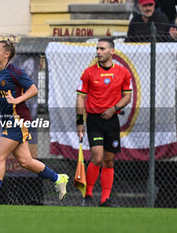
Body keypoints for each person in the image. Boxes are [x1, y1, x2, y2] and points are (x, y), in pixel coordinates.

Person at [0, 37, 69, 208]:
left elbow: (34, 89)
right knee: (25, 161)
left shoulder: (15, 72)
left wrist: (17, 100)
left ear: (6, 54)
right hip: (8, 119)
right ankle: (58, 178)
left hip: (19, 119)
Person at [76, 38, 132, 207]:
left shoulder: (123, 72)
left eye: (102, 48)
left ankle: (105, 199)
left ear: (112, 51)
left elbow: (127, 96)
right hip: (94, 120)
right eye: (97, 48)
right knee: (97, 157)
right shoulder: (88, 73)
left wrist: (114, 108)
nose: (98, 52)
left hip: (112, 120)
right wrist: (79, 122)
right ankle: (88, 195)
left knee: (109, 160)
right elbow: (80, 97)